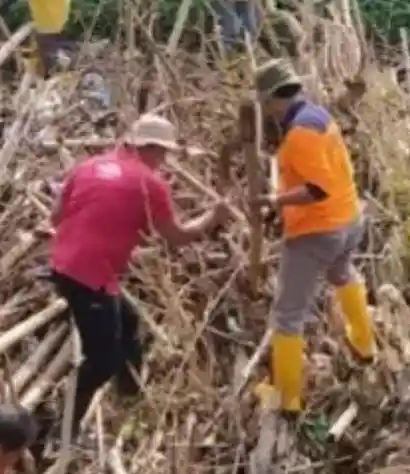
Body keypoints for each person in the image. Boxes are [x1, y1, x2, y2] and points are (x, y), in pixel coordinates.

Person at [50, 113, 230, 441]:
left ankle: (130, 397)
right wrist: (213, 216)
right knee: (102, 360)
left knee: (129, 325)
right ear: (151, 148)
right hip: (90, 277)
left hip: (63, 264)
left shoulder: (88, 165)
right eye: (163, 154)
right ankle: (61, 434)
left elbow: (57, 215)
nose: (164, 161)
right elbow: (177, 237)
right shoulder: (150, 185)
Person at [253, 59, 376, 414]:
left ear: (275, 98)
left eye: (265, 103)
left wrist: (275, 199)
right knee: (342, 274)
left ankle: (287, 397)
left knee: (288, 315)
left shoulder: (300, 134)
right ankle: (365, 344)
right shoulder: (318, 116)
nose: (266, 111)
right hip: (349, 219)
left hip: (318, 231)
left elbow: (316, 189)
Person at [27, 0, 69, 75]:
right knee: (48, 55)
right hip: (57, 27)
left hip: (46, 28)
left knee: (48, 59)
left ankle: (54, 67)